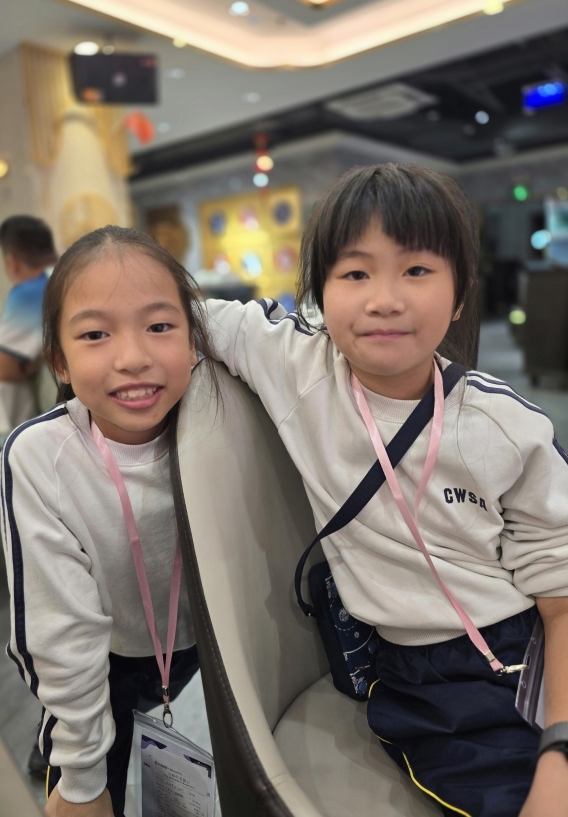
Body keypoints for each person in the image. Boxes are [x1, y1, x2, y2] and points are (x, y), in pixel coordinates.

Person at [203, 163, 568, 817]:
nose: (385, 299)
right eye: (355, 273)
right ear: (319, 292)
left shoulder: (506, 427)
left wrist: (560, 751)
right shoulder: (297, 367)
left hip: (523, 646)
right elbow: (180, 313)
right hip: (415, 678)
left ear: (460, 295)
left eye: (417, 269)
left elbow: (561, 603)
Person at [0, 226, 217, 817]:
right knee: (93, 779)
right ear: (59, 361)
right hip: (106, 657)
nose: (132, 358)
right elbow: (61, 633)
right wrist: (81, 776)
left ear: (195, 340)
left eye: (160, 326)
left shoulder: (222, 419)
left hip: (207, 643)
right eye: (95, 334)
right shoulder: (42, 456)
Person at [0, 214, 58, 419]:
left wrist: (31, 365)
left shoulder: (30, 291)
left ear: (12, 262)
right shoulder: (70, 274)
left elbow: (2, 369)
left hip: (60, 409)